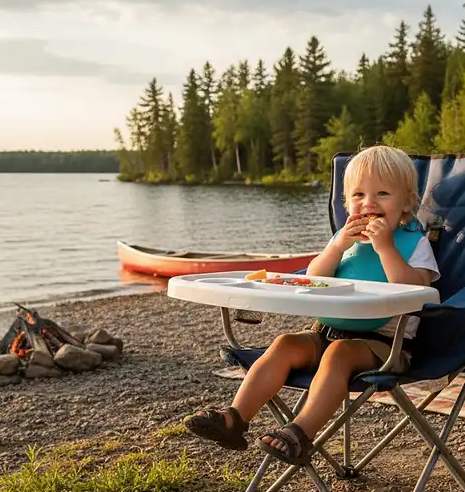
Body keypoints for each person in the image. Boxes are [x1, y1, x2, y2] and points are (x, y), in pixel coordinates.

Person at [183, 145, 439, 465]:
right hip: (327, 330)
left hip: (386, 344)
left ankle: (299, 434)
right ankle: (235, 419)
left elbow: (417, 291)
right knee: (285, 343)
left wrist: (385, 247)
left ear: (406, 206)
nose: (369, 203)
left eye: (382, 194)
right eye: (358, 195)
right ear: (347, 205)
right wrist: (337, 246)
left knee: (339, 353)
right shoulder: (343, 243)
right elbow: (314, 277)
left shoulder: (414, 244)